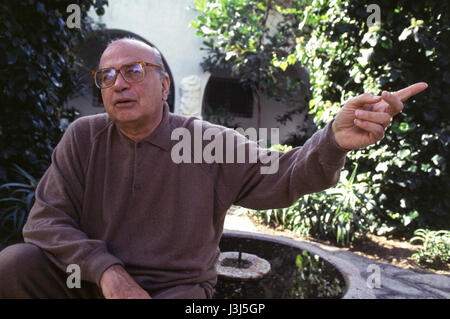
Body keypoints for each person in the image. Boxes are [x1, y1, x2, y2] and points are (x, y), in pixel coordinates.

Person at [0, 38, 427, 299]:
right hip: (90, 283)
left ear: (164, 85)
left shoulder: (206, 142)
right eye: (106, 76)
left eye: (133, 71)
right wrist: (107, 273)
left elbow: (285, 175)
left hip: (176, 291)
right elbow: (45, 221)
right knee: (15, 264)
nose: (118, 84)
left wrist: (333, 139)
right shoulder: (83, 137)